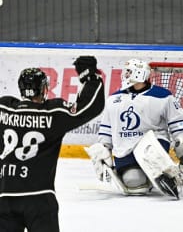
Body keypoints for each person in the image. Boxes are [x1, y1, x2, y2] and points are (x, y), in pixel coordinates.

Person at [0, 56, 105, 232]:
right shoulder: (52, 113)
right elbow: (90, 107)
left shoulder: (4, 108)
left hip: (5, 198)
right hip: (40, 199)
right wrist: (90, 77)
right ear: (42, 89)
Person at [86, 59, 183, 199]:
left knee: (157, 151)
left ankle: (162, 171)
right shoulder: (113, 99)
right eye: (126, 71)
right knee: (134, 182)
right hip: (125, 150)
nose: (125, 74)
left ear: (140, 73)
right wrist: (104, 147)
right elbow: (107, 129)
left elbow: (179, 121)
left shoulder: (163, 96)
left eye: (129, 71)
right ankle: (149, 179)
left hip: (153, 144)